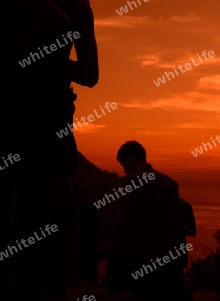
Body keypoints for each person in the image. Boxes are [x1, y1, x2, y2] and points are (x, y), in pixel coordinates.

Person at [1, 0, 99, 300]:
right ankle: (69, 282)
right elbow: (88, 74)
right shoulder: (80, 5)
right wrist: (52, 60)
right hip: (49, 121)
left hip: (33, 120)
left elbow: (87, 72)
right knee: (42, 220)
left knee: (26, 230)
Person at [106, 141, 186, 301]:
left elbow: (122, 221)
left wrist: (112, 263)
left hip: (139, 259)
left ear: (128, 158)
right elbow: (178, 222)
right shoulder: (170, 183)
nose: (124, 169)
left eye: (123, 164)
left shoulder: (130, 181)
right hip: (169, 260)